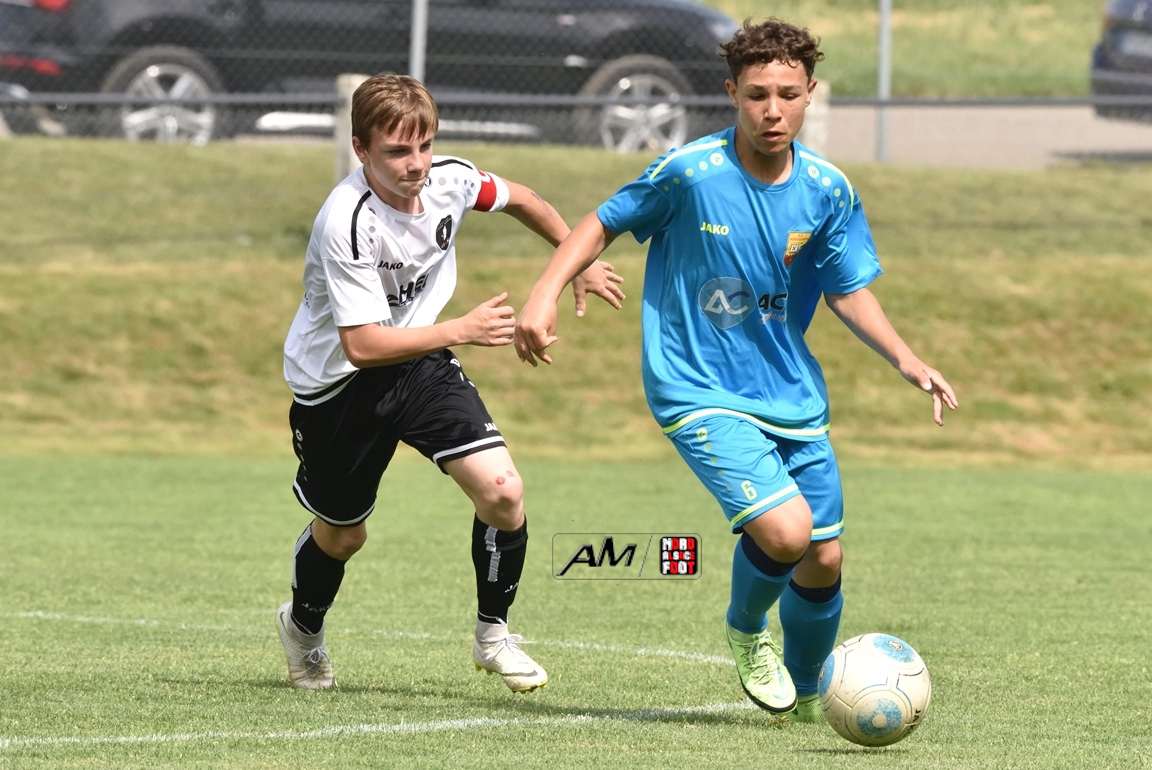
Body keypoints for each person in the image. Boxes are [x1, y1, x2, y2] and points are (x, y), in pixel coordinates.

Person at [513, 19, 957, 721]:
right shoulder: (690, 173)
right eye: (756, 95)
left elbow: (845, 288)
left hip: (789, 392)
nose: (772, 110)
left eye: (788, 94)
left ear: (811, 93)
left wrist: (908, 359)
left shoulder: (827, 189)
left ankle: (808, 697)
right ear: (731, 93)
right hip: (697, 386)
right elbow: (602, 220)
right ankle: (747, 629)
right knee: (784, 533)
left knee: (823, 558)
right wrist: (545, 291)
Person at [276, 73, 623, 693]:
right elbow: (362, 346)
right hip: (337, 388)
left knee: (503, 492)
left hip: (419, 363)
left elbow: (522, 198)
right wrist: (462, 329)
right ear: (361, 149)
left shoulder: (451, 180)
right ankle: (302, 628)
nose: (416, 164)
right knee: (344, 534)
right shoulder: (347, 221)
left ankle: (494, 636)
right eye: (396, 151)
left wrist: (579, 260)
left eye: (425, 145)